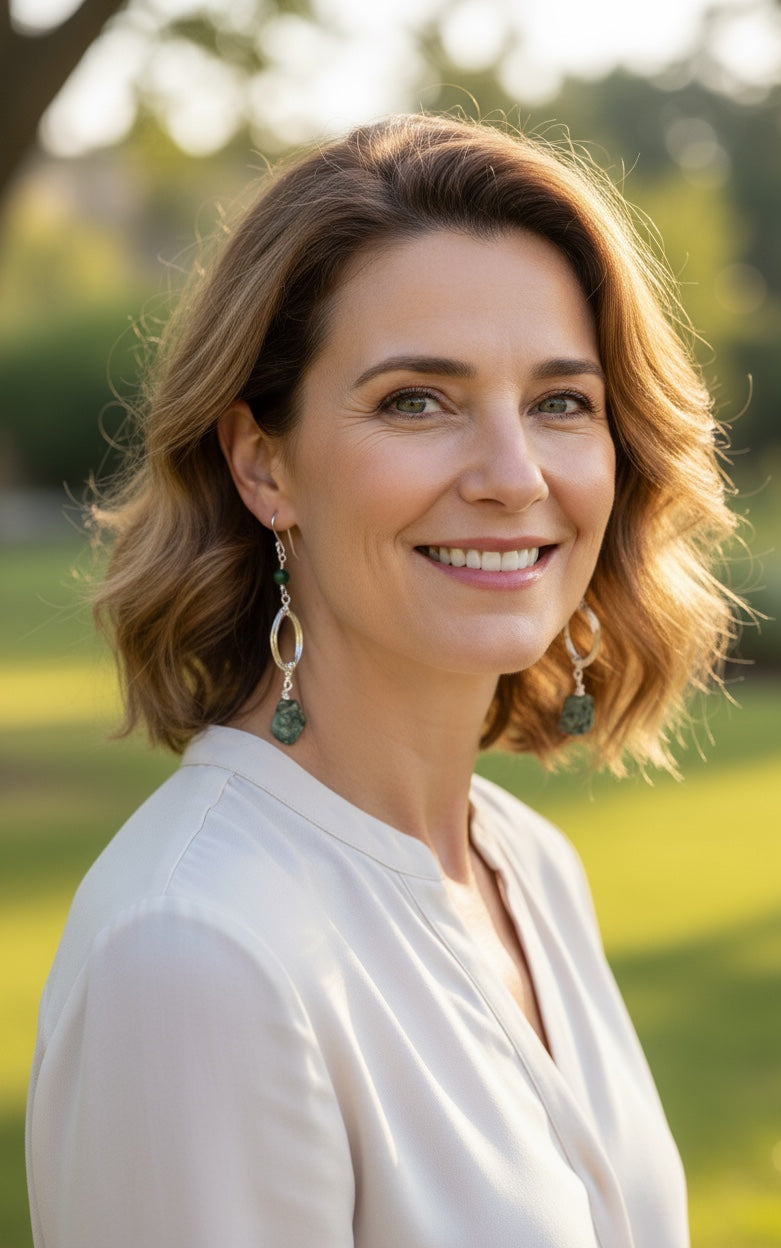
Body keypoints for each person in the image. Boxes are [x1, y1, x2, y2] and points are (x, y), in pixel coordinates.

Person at [26, 113, 742, 1248]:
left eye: (562, 401)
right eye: (418, 400)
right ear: (264, 463)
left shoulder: (528, 868)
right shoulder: (195, 951)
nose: (515, 478)